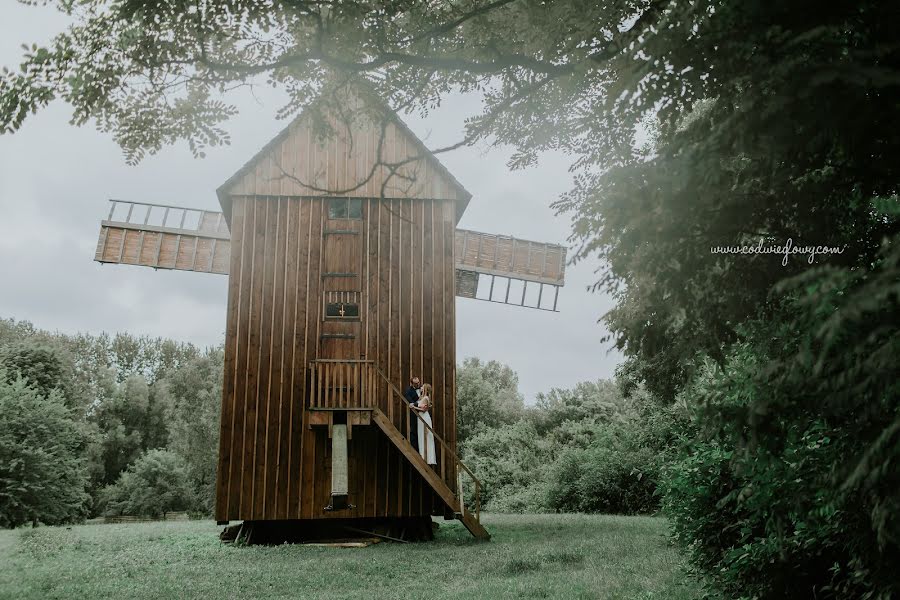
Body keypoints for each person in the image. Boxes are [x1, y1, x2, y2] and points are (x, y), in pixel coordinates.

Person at [412, 383, 437, 466]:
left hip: (424, 417)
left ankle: (427, 458)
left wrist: (413, 407)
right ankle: (422, 455)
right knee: (421, 435)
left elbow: (424, 410)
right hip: (420, 418)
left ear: (425, 388)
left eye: (422, 387)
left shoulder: (426, 398)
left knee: (425, 436)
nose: (421, 387)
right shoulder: (422, 397)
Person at [404, 376, 422, 451]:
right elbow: (410, 402)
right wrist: (418, 402)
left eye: (418, 382)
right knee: (413, 431)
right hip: (414, 414)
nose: (418, 384)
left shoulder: (422, 388)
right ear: (412, 384)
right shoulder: (408, 391)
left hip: (423, 413)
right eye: (416, 383)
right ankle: (415, 449)